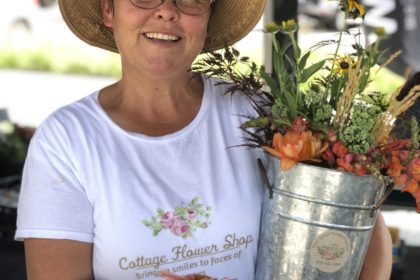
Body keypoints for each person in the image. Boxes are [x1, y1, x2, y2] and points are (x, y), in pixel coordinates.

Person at [15, 0, 392, 279]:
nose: (166, 11)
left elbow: (359, 217)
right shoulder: (67, 141)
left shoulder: (255, 112)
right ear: (108, 10)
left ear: (209, 14)